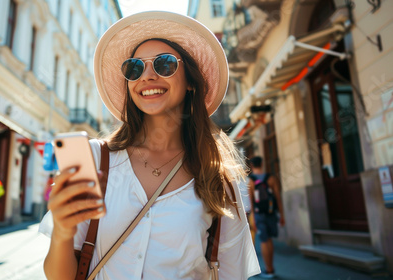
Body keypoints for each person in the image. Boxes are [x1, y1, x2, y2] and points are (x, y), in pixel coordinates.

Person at [40, 11, 260, 279]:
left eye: (164, 65)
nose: (146, 76)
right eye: (134, 68)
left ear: (191, 81)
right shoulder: (96, 159)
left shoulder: (220, 179)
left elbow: (230, 274)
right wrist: (62, 233)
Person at [248, 156, 285, 278]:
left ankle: (268, 269)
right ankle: (271, 268)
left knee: (263, 241)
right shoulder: (271, 178)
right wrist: (282, 215)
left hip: (259, 214)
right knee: (269, 239)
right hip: (271, 214)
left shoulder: (251, 181)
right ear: (262, 164)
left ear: (252, 166)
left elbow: (251, 202)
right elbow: (278, 198)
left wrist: (253, 217)